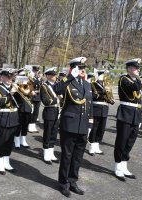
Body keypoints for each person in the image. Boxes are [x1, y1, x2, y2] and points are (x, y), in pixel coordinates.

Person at [54, 57, 93, 197]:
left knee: (78, 157)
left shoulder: (87, 85)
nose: (82, 70)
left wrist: (90, 123)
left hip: (83, 125)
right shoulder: (68, 82)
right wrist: (70, 76)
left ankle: (73, 181)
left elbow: (90, 105)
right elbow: (56, 89)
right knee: (66, 156)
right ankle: (63, 183)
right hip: (69, 125)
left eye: (83, 68)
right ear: (73, 68)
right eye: (79, 68)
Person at [114, 58, 142, 181]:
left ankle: (124, 166)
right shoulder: (123, 79)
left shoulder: (137, 80)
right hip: (125, 114)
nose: (138, 70)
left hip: (136, 114)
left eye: (138, 68)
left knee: (130, 142)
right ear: (129, 68)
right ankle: (117, 167)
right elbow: (135, 88)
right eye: (136, 68)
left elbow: (139, 95)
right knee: (121, 141)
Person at [0, 68, 20, 175]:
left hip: (13, 117)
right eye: (8, 77)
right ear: (2, 77)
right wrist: (11, 93)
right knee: (2, 141)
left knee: (10, 141)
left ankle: (7, 161)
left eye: (11, 77)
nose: (10, 79)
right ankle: (0, 162)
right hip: (3, 117)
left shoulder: (14, 87)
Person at [88, 70, 114, 156]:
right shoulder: (93, 84)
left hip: (105, 109)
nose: (103, 77)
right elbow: (95, 96)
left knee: (101, 129)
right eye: (101, 75)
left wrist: (110, 99)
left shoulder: (106, 85)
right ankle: (92, 146)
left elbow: (109, 96)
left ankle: (97, 145)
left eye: (103, 75)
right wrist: (104, 92)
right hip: (96, 108)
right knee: (94, 128)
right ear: (97, 76)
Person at [40, 67, 60, 164]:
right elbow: (46, 101)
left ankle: (51, 152)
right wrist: (58, 98)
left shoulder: (57, 85)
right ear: (47, 76)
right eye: (52, 75)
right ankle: (46, 153)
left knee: (54, 134)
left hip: (57, 111)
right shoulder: (44, 86)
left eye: (54, 75)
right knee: (47, 133)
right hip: (49, 111)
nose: (54, 76)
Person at [28, 66, 41, 133]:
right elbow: (29, 85)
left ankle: (33, 125)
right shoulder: (30, 76)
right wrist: (31, 90)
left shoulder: (38, 77)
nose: (36, 72)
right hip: (32, 96)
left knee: (36, 112)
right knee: (31, 111)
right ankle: (29, 125)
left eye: (37, 71)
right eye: (35, 70)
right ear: (33, 70)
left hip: (38, 97)